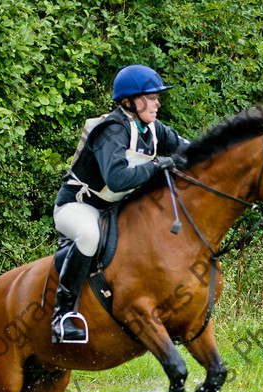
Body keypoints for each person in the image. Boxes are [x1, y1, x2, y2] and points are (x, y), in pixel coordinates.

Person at [51, 64, 188, 343]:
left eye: (156, 97)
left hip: (112, 209)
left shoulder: (152, 129)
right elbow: (116, 179)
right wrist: (157, 163)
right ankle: (63, 316)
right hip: (78, 205)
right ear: (130, 102)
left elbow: (188, 148)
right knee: (89, 236)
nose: (157, 102)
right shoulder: (112, 130)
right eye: (150, 97)